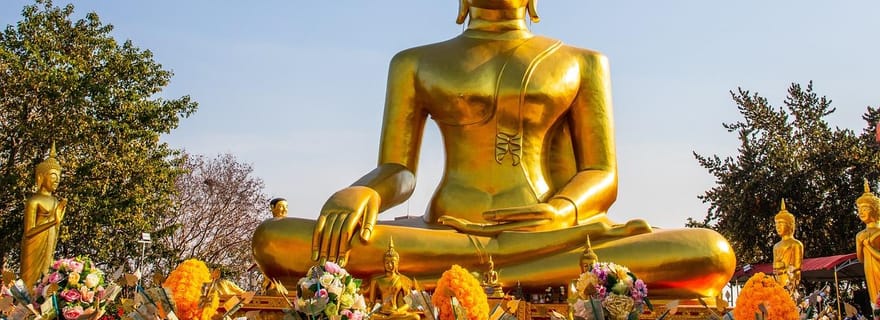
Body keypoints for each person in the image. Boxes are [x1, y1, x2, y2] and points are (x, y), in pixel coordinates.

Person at [251, 0, 735, 298]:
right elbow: (399, 170)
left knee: (709, 251)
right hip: (445, 235)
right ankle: (522, 274)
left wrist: (561, 210)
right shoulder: (417, 62)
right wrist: (362, 192)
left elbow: (602, 174)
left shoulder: (580, 62)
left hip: (550, 233)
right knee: (275, 240)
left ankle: (502, 272)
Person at [21, 143, 67, 290]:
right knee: (30, 283)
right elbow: (28, 232)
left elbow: (56, 226)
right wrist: (53, 221)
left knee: (44, 278)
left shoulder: (55, 201)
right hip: (34, 244)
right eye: (53, 176)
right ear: (41, 177)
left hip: (49, 242)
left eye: (59, 177)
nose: (56, 180)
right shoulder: (34, 200)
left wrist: (56, 223)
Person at [367, 238, 419, 320]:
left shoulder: (402, 279)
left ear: (397, 263)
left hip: (395, 313)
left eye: (392, 262)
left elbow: (409, 303)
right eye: (387, 263)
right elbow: (371, 303)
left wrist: (398, 311)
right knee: (370, 317)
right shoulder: (376, 281)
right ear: (383, 264)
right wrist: (368, 310)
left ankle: (388, 318)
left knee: (416, 317)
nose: (390, 265)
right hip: (381, 313)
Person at [855, 180, 880, 305]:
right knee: (875, 301)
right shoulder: (860, 235)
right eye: (859, 209)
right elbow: (861, 259)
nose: (861, 212)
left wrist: (868, 246)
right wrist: (860, 244)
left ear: (875, 210)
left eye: (865, 209)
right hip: (869, 269)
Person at [772, 199, 803, 296]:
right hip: (778, 278)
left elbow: (797, 266)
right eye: (776, 224)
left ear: (789, 225)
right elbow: (774, 266)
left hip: (789, 278)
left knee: (789, 298)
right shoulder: (776, 246)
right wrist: (777, 267)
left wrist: (785, 269)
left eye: (780, 224)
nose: (778, 227)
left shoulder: (796, 244)